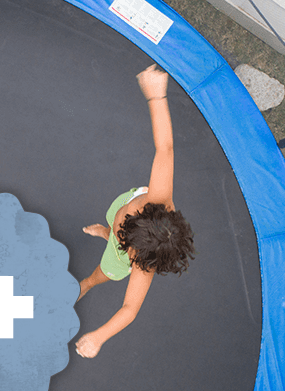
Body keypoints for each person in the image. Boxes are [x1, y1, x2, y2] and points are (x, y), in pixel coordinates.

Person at [75, 66, 195, 359]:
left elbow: (130, 309)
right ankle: (105, 231)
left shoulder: (141, 264)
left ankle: (88, 281)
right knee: (108, 220)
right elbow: (165, 147)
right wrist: (156, 96)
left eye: (123, 243)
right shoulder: (159, 199)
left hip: (114, 253)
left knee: (95, 277)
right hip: (122, 206)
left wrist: (98, 337)